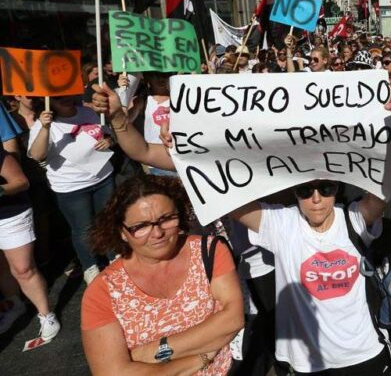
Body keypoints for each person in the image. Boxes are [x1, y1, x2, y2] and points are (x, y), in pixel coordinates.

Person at [81, 175, 243, 374]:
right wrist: (199, 358)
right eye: (141, 226)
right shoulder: (103, 291)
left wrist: (152, 352)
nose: (157, 233)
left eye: (166, 219)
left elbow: (233, 319)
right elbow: (112, 372)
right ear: (122, 232)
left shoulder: (208, 251)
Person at [229, 181, 391, 374]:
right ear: (294, 191)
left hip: (363, 352)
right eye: (305, 191)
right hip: (307, 361)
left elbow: (382, 192)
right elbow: (228, 202)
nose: (316, 199)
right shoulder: (283, 223)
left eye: (326, 189)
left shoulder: (353, 218)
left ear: (337, 187)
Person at [28, 96, 116, 284]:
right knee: (83, 229)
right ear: (49, 101)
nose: (65, 100)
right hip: (71, 186)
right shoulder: (42, 124)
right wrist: (45, 128)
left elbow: (108, 135)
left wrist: (109, 141)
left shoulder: (89, 112)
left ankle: (114, 258)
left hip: (103, 177)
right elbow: (37, 155)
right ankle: (90, 267)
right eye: (59, 98)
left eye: (67, 95)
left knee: (108, 221)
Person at [0, 144, 60, 340]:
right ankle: (14, 305)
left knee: (23, 269)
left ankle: (46, 314)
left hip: (9, 215)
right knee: (1, 267)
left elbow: (20, 182)